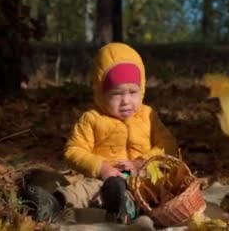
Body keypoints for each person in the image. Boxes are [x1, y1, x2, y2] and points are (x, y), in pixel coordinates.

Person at [26, 42, 178, 224]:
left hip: (142, 178)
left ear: (142, 89)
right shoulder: (92, 119)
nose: (126, 101)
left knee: (153, 188)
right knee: (85, 189)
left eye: (133, 92)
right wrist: (101, 167)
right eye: (117, 94)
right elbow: (73, 151)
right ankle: (53, 203)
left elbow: (168, 145)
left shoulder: (148, 116)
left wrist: (141, 163)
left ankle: (126, 207)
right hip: (103, 178)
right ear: (100, 92)